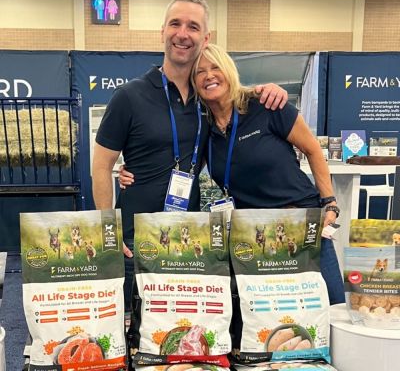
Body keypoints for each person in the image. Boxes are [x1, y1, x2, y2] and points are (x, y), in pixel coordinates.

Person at [92, 0, 288, 311]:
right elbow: (101, 166)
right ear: (162, 32)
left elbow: (237, 99)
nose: (183, 34)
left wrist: (266, 89)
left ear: (206, 37)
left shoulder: (208, 100)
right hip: (133, 241)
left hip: (187, 242)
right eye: (175, 24)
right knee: (130, 338)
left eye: (193, 27)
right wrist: (108, 233)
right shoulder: (129, 96)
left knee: (177, 335)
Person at [120, 43, 344, 305]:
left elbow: (314, 150)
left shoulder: (267, 105)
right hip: (256, 235)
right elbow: (179, 162)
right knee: (272, 314)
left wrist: (329, 201)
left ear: (229, 70)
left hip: (301, 223)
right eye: (200, 72)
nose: (209, 76)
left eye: (215, 67)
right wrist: (132, 171)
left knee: (331, 306)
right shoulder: (205, 128)